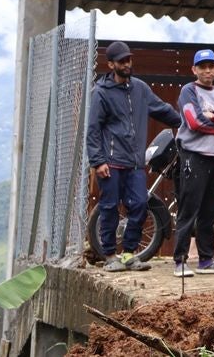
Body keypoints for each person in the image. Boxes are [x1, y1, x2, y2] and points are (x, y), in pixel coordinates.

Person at [86, 41, 182, 273]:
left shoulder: (140, 88)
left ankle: (129, 254)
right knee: (110, 207)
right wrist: (98, 161)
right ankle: (110, 256)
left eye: (129, 59)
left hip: (135, 162)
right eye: (122, 61)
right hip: (110, 162)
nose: (127, 64)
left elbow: (161, 109)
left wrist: (186, 122)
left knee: (139, 204)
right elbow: (94, 130)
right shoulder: (101, 92)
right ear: (111, 64)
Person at [172, 48, 214, 277]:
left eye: (211, 66)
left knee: (210, 212)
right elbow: (194, 122)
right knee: (188, 209)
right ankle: (180, 261)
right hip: (193, 155)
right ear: (194, 69)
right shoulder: (188, 91)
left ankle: (206, 260)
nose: (207, 71)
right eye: (202, 67)